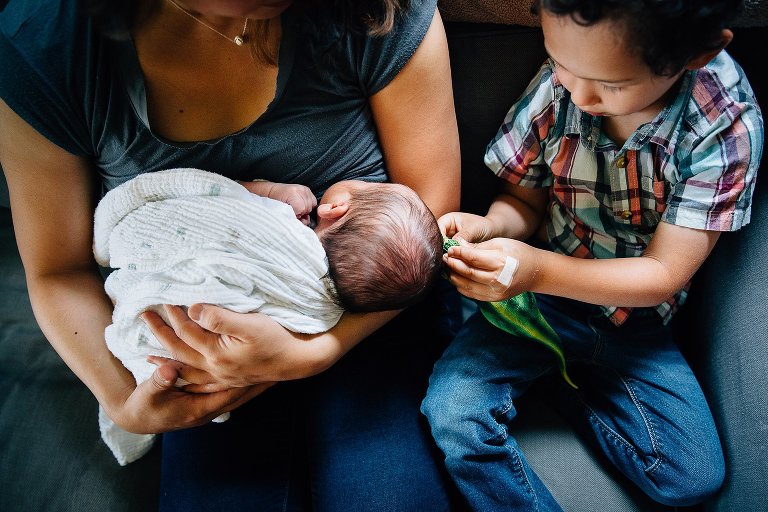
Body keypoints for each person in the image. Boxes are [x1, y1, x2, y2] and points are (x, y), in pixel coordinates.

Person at [0, 0, 461, 509]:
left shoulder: (376, 10)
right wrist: (125, 403)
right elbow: (58, 270)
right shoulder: (45, 48)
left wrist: (316, 350)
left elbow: (431, 218)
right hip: (205, 358)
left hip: (373, 315)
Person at [421, 0, 763, 510]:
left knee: (690, 477)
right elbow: (522, 203)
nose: (579, 95)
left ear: (695, 55)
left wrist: (534, 270)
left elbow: (662, 274)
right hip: (533, 304)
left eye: (613, 85)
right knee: (453, 414)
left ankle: (561, 376)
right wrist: (489, 226)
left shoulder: (723, 126)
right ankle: (550, 367)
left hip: (634, 320)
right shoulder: (561, 85)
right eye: (561, 63)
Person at [96, 168, 444, 465]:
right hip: (207, 376)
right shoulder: (327, 312)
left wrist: (267, 193)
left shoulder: (276, 221)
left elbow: (220, 196)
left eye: (373, 185)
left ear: (337, 208)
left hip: (182, 353)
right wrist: (122, 406)